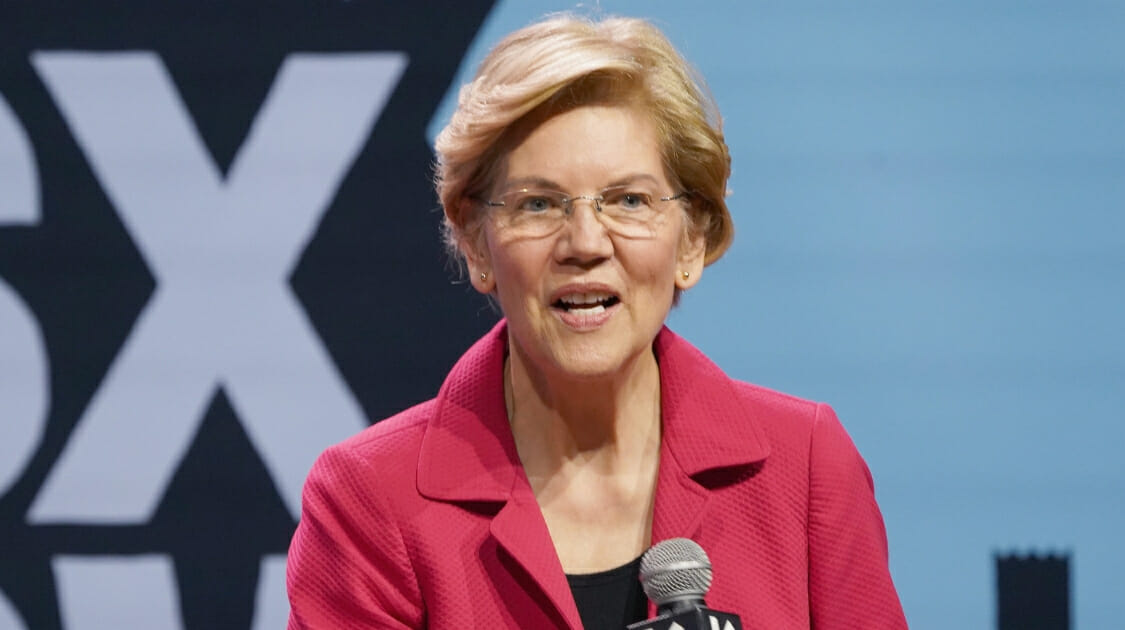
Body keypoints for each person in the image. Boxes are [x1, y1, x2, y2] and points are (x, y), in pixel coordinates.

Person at [286, 13, 907, 630]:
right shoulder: (372, 498)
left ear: (691, 240)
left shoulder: (803, 468)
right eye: (539, 204)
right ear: (477, 243)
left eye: (628, 200)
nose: (585, 242)